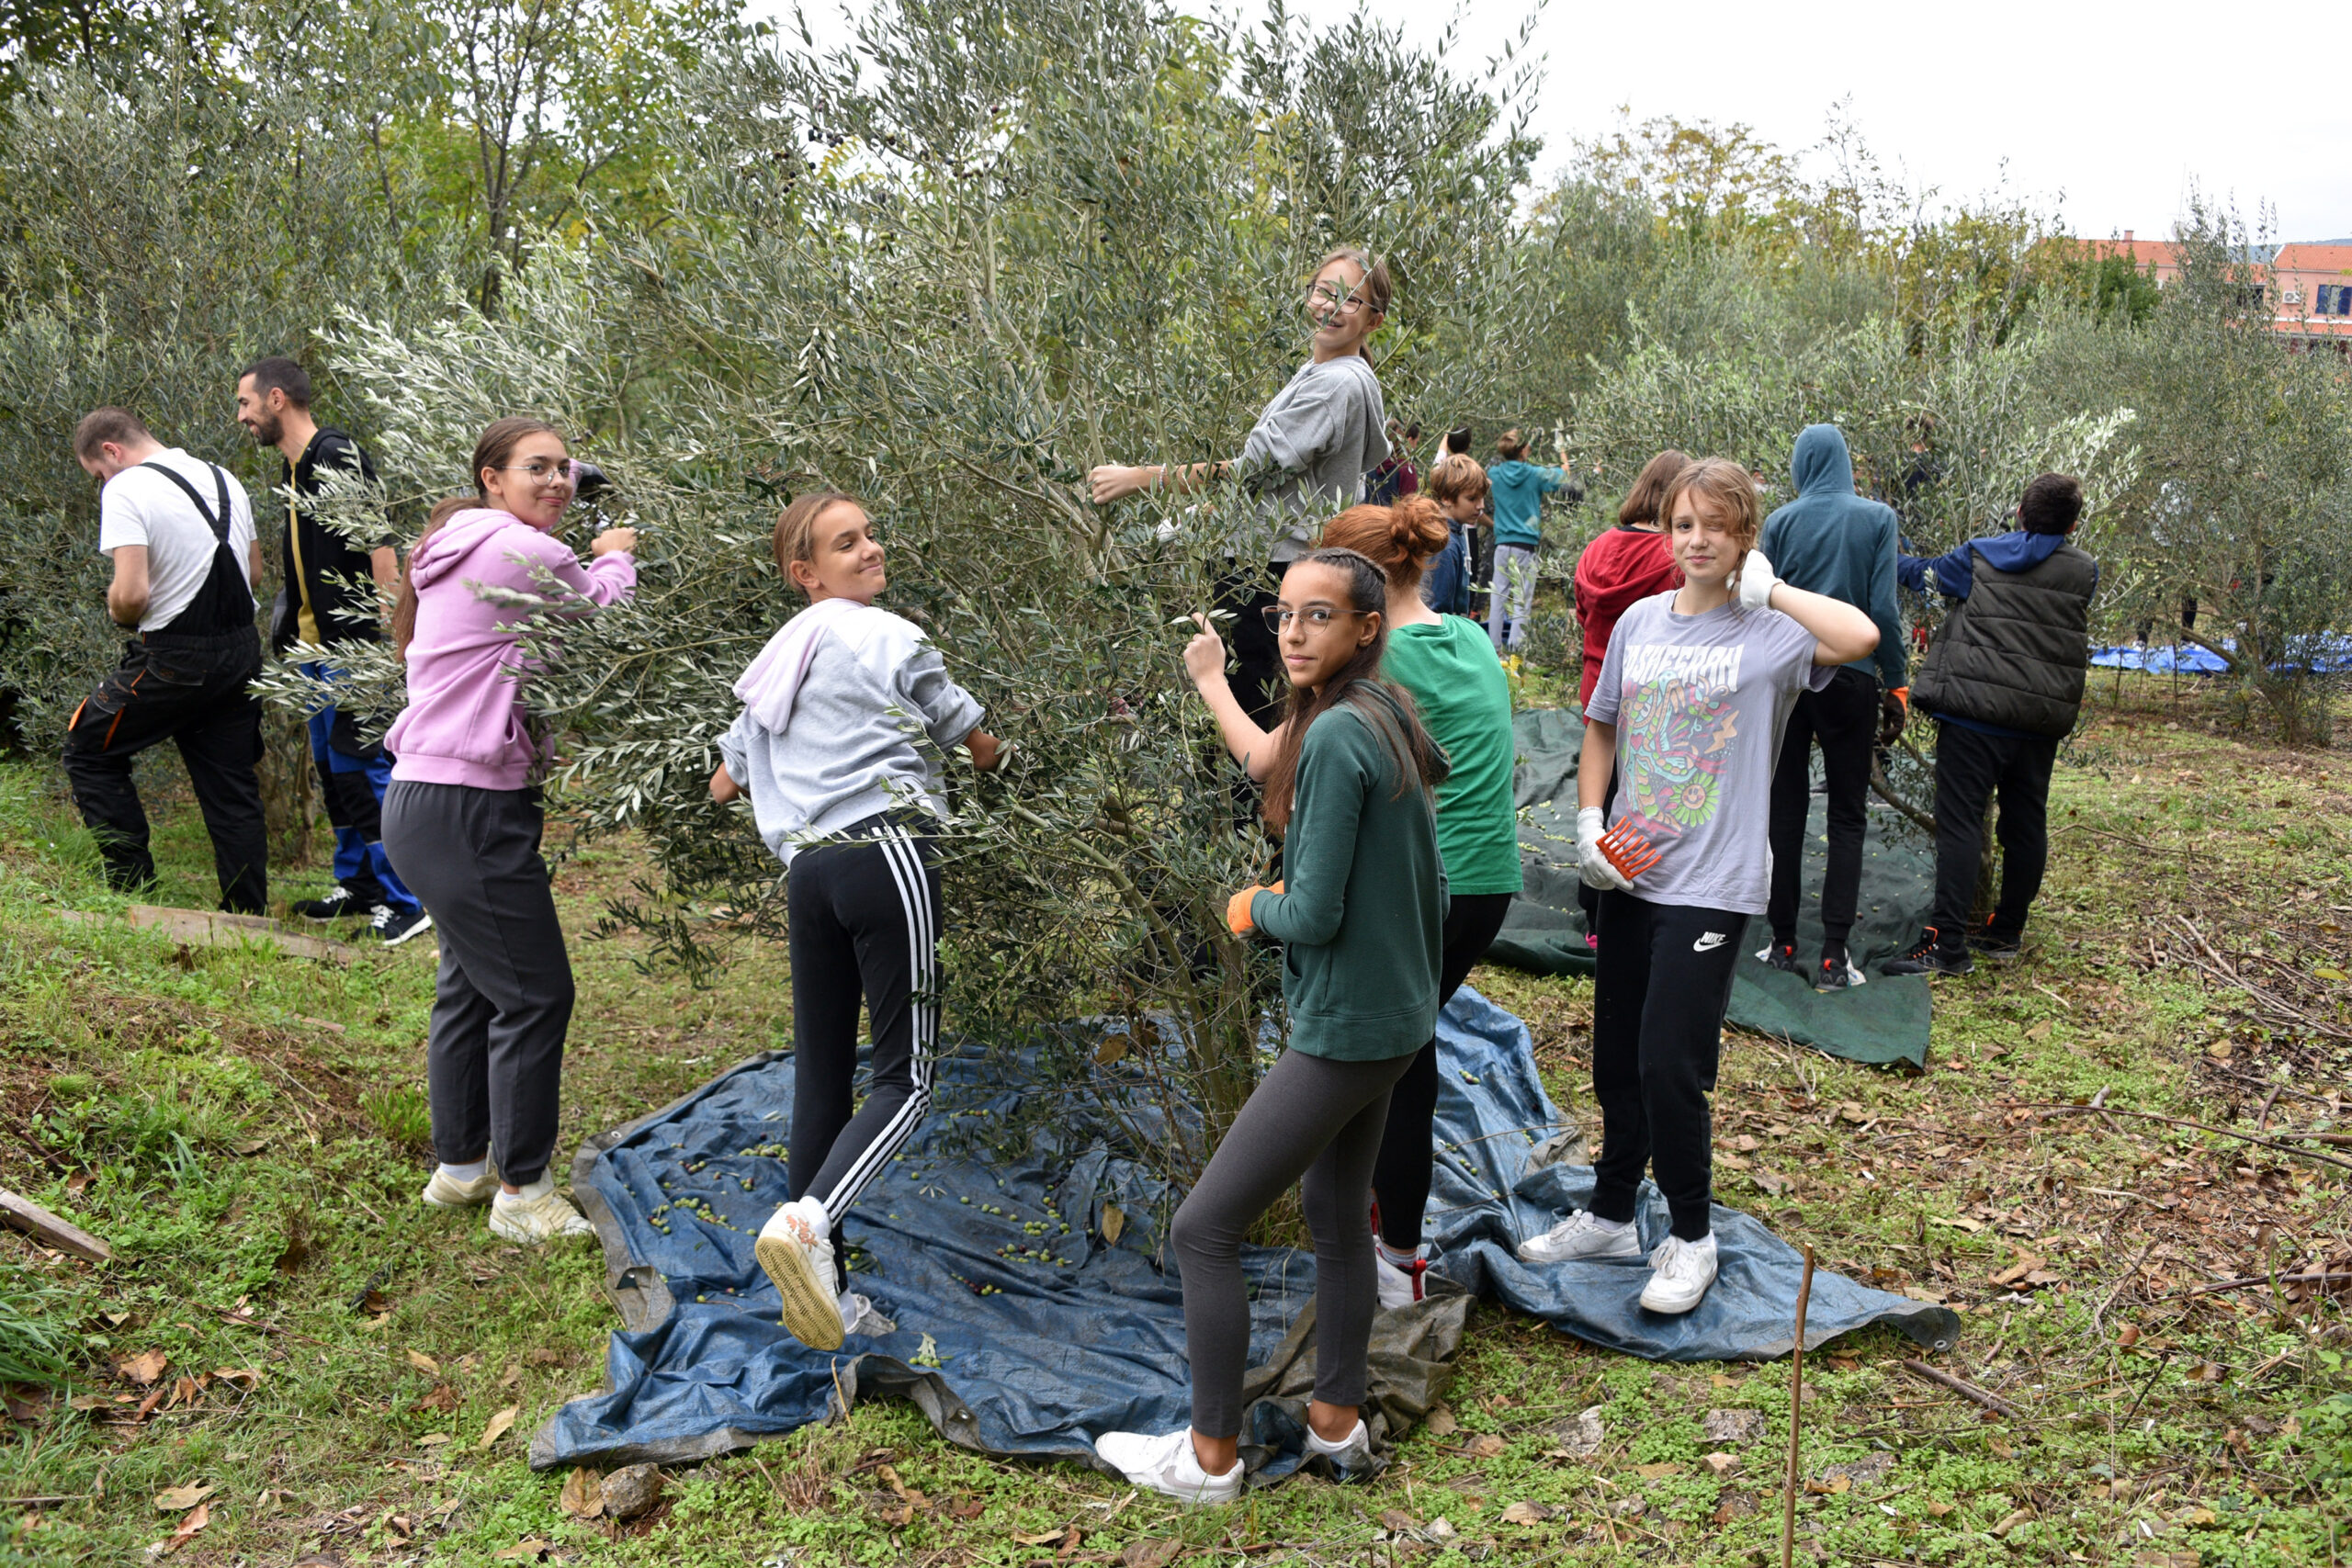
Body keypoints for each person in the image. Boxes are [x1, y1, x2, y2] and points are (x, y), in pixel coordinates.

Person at [1098, 547, 1447, 1503]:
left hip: (1346, 1026)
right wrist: (1215, 681)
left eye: (1318, 616)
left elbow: (1316, 912)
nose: (1293, 632)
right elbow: (1415, 875)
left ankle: (1209, 1459)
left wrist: (1250, 907)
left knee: (1204, 1229)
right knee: (1338, 1223)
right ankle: (1335, 1422)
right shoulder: (1380, 715)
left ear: (1366, 628)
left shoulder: (1338, 737)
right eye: (1286, 614)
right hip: (1398, 1018)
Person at [1516, 459, 1878, 1314]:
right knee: (1616, 1055)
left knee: (1670, 1062)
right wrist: (1589, 824)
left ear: (1745, 535)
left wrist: (1777, 589)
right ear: (1668, 531)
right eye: (1685, 524)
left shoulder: (1773, 631)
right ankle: (1609, 1213)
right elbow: (1601, 724)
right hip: (1632, 868)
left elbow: (1861, 637)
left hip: (1713, 882)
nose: (1698, 539)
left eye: (1717, 525)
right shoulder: (1641, 620)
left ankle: (1690, 1235)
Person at [1182, 497, 1520, 1308]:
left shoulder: (1373, 680)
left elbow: (1266, 760)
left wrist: (1209, 677)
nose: (1300, 630)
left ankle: (1395, 1258)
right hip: (1484, 878)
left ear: (1360, 611)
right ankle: (1381, 1244)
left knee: (1389, 1066)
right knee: (1409, 1055)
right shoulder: (1468, 636)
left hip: (1420, 885)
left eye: (1317, 610)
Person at [717, 491, 1003, 1352]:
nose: (872, 549)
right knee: (906, 1079)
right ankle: (809, 1224)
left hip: (810, 871)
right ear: (806, 573)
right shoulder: (888, 634)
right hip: (886, 854)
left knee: (821, 1074)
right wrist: (1005, 764)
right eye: (849, 544)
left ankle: (823, 1291)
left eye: (872, 533)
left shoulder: (778, 653)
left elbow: (725, 776)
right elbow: (969, 733)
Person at [379, 419, 637, 1244]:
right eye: (538, 468)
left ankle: (460, 1168)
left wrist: (574, 489)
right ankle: (523, 1192)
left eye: (566, 469)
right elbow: (603, 616)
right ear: (491, 477)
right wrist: (618, 550)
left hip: (426, 798)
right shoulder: (516, 551)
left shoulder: (458, 541)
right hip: (467, 808)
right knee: (535, 994)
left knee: (470, 983)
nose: (558, 481)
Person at [1090, 248, 1392, 728]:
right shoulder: (1329, 375)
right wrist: (1207, 517)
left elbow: (1250, 471)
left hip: (1264, 577)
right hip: (1276, 568)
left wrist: (1141, 478)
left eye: (1350, 300)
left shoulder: (1336, 385)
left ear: (1374, 321)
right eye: (1324, 291)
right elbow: (1278, 485)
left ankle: (1253, 804)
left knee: (1248, 716)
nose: (1331, 307)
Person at [233, 356, 429, 945]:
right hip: (315, 652)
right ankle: (361, 884)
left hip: (352, 650)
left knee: (361, 766)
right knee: (332, 768)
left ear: (275, 400)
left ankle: (409, 898)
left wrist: (393, 639)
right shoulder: (296, 471)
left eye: (244, 403)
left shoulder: (334, 453)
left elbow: (381, 544)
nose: (240, 416)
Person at [1884, 473, 2098, 977]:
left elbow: (1923, 575)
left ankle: (1947, 945)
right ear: (2072, 523)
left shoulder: (1980, 556)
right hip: (2037, 723)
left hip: (1972, 714)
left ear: (2019, 514)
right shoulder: (2084, 571)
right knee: (2025, 827)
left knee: (1960, 825)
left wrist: (1880, 553)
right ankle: (2006, 932)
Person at [63, 408, 268, 913]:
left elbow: (131, 597)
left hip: (175, 660)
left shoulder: (126, 489)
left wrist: (114, 603)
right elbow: (256, 572)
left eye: (97, 475)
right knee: (231, 786)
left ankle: (133, 891)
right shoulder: (225, 479)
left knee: (87, 749)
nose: (101, 484)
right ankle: (246, 913)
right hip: (240, 653)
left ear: (111, 451)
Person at [1756, 425, 1909, 992]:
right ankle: (1835, 956)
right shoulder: (1876, 519)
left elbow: (1763, 604)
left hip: (1790, 678)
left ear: (1802, 465)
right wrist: (1896, 682)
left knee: (1785, 809)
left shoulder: (1780, 522)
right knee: (1847, 814)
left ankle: (1782, 941)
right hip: (1852, 678)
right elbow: (1884, 610)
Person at [1568, 451, 1689, 944]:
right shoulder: (1668, 556)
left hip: (1596, 683)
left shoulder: (1597, 548)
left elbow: (1580, 611)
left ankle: (1592, 907)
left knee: (1600, 794)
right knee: (1633, 799)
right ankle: (1620, 904)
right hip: (1648, 694)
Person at [1486, 429, 1581, 654]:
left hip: (1502, 544)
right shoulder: (1534, 474)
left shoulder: (1495, 474)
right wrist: (1561, 448)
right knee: (1521, 601)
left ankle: (1493, 649)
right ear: (1523, 450)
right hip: (1525, 546)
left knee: (1498, 598)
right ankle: (1517, 652)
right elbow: (1565, 475)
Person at [1419, 457, 1486, 616]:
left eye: (1482, 497)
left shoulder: (1458, 532)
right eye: (1472, 499)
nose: (1481, 505)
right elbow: (1437, 608)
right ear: (1446, 498)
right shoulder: (1444, 546)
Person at [1367, 420, 1420, 505]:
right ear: (1409, 441)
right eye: (1416, 442)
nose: (1416, 447)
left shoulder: (1371, 467)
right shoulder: (1406, 470)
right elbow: (1409, 509)